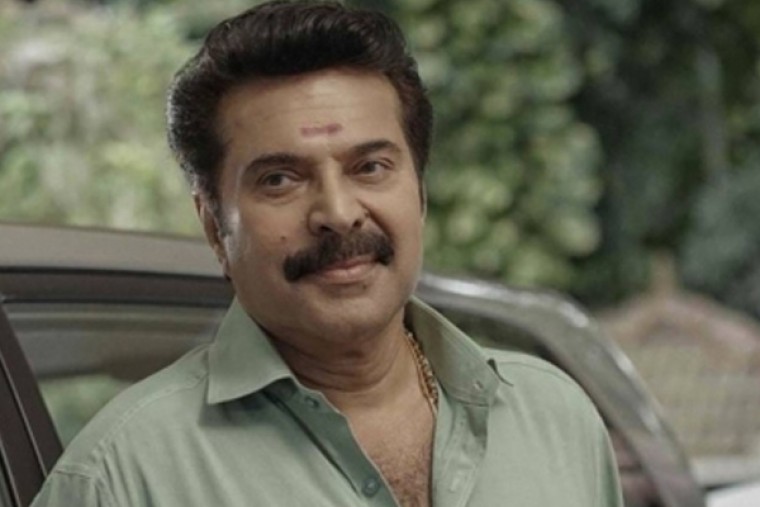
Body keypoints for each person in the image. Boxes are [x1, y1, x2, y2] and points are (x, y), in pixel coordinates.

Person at [32, 1, 623, 506]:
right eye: (280, 180)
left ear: (419, 194)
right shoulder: (120, 478)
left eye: (370, 167)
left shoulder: (553, 418)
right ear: (214, 226)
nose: (338, 213)